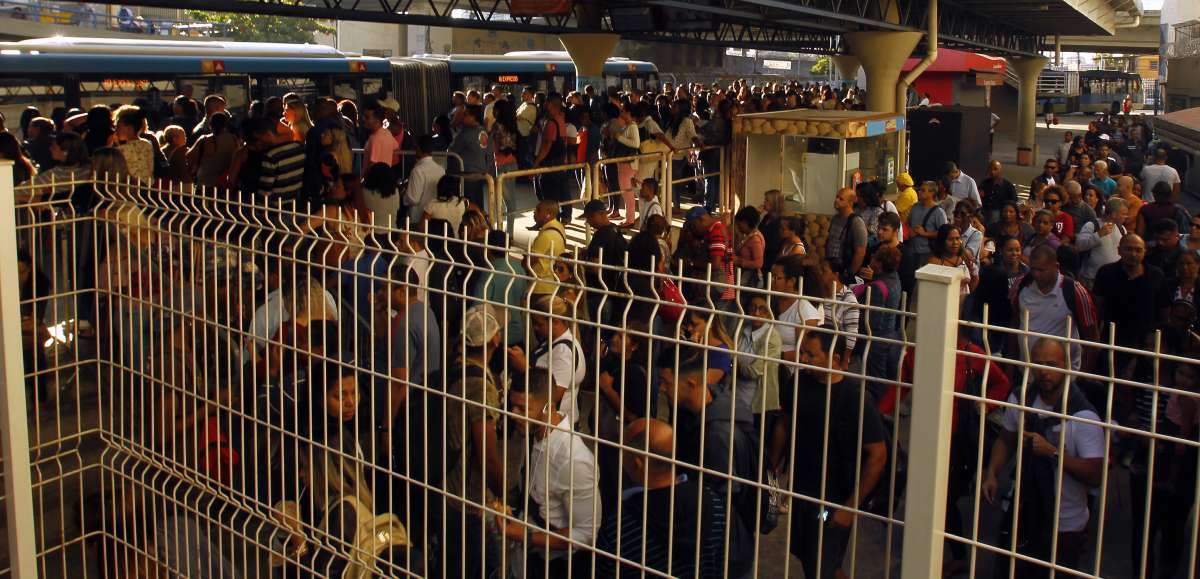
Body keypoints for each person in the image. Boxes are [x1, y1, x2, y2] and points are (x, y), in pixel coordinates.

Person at [982, 338, 1105, 578]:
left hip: (1064, 522)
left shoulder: (1083, 415)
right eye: (1038, 364)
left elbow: (1095, 474)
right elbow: (1006, 439)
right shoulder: (1021, 398)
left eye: (1051, 364)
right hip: (1022, 509)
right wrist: (992, 473)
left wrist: (1053, 452)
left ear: (1066, 365)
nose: (1044, 371)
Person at [790, 328, 888, 579]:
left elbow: (877, 454)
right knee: (812, 558)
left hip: (834, 497)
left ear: (833, 357)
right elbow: (785, 422)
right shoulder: (800, 382)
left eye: (810, 355)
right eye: (802, 353)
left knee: (821, 565)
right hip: (803, 490)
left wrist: (850, 508)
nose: (803, 360)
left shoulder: (854, 397)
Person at [657, 348, 756, 576]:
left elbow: (717, 503)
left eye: (666, 382)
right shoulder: (700, 408)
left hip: (722, 550)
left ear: (691, 383)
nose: (661, 389)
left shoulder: (717, 435)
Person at [594, 418, 729, 578]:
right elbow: (722, 565)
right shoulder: (713, 503)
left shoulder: (619, 526)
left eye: (623, 450)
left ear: (638, 462)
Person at [502, 371, 600, 579]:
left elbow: (587, 534)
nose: (513, 414)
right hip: (523, 563)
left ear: (549, 408)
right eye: (512, 406)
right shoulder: (533, 433)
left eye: (523, 408)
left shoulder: (573, 460)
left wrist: (527, 536)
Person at [442, 305, 508, 579]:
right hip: (470, 496)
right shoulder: (480, 386)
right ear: (494, 339)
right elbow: (487, 454)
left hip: (447, 482)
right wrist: (503, 490)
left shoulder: (454, 368)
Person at [1011, 244, 1098, 371]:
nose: (1036, 275)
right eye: (1033, 269)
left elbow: (1092, 336)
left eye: (1041, 270)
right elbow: (1015, 323)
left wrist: (1082, 375)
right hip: (1028, 371)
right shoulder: (1021, 285)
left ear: (1056, 267)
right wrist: (1010, 367)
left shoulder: (1075, 291)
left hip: (1065, 374)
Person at [509, 295, 586, 426]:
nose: (536, 328)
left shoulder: (563, 352)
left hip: (555, 427)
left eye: (539, 324)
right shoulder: (551, 340)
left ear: (555, 321)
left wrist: (524, 367)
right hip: (545, 423)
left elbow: (553, 396)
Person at [1094, 234, 1168, 352]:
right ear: (1119, 250)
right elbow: (1098, 307)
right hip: (1112, 339)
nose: (1133, 254)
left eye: (1138, 250)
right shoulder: (1106, 273)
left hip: (1145, 343)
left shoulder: (1156, 275)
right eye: (1128, 249)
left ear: (1145, 252)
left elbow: (1164, 310)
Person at [582, 200, 629, 326]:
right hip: (611, 291)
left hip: (598, 293)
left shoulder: (601, 236)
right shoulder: (615, 229)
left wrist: (581, 260)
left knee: (596, 332)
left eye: (589, 218)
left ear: (598, 215)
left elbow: (595, 267)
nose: (588, 222)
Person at [448, 104, 494, 211]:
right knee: (478, 207)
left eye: (465, 114)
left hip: (466, 176)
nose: (463, 117)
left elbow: (451, 151)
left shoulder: (465, 133)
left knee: (467, 208)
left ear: (474, 117)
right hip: (480, 175)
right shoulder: (485, 131)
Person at [1075, 197, 1127, 284]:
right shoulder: (1092, 225)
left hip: (1115, 278)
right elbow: (1079, 246)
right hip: (1092, 279)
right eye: (1123, 214)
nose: (1126, 217)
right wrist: (1099, 234)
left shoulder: (1122, 228)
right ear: (1114, 214)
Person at [827, 187, 868, 284]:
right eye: (837, 197)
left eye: (841, 199)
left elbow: (860, 252)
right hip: (831, 267)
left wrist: (849, 273)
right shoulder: (835, 219)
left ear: (850, 203)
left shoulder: (856, 223)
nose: (836, 200)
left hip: (843, 269)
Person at [527, 200, 567, 297]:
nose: (534, 212)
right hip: (553, 283)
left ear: (549, 214)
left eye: (538, 210)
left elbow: (529, 261)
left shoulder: (546, 236)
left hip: (541, 287)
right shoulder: (559, 227)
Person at [908, 180, 949, 268]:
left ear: (932, 193)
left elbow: (944, 233)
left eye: (923, 190)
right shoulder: (915, 207)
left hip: (927, 253)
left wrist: (924, 233)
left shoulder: (938, 212)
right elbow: (908, 223)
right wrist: (910, 231)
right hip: (912, 251)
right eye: (920, 189)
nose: (919, 192)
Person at [361, 103, 398, 173]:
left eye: (367, 117)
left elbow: (372, 164)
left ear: (377, 119)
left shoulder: (375, 138)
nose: (363, 119)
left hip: (374, 179)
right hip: (385, 176)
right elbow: (396, 148)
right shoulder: (387, 133)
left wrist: (364, 179)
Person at [979, 160, 1017, 225]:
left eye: (995, 169)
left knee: (994, 214)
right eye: (990, 169)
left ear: (1000, 170)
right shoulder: (984, 184)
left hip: (1000, 211)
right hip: (985, 210)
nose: (992, 171)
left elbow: (1013, 202)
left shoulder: (1008, 186)